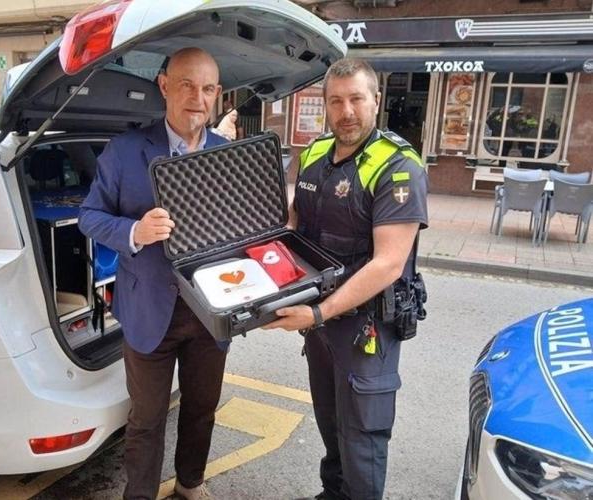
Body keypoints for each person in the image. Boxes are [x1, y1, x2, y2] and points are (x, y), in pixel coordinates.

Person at [265, 58, 428, 500]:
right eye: (336, 101)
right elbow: (293, 226)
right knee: (330, 419)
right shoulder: (314, 153)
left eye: (356, 99)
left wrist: (318, 312)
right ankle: (332, 493)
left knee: (362, 438)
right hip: (319, 320)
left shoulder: (398, 166)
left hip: (365, 324)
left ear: (376, 100)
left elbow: (388, 263)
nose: (347, 111)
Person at [79, 47, 227, 500]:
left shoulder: (228, 154)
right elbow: (89, 216)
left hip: (211, 310)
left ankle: (190, 484)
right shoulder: (125, 151)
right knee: (146, 418)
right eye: (186, 85)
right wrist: (135, 231)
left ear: (217, 94)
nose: (197, 98)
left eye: (207, 89)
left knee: (201, 409)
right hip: (148, 307)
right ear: (164, 86)